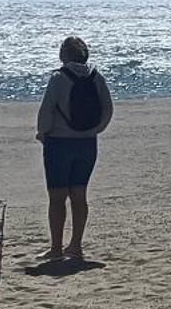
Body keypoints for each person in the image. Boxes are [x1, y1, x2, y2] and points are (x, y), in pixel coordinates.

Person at [35, 35, 113, 262]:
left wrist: (43, 133)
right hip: (87, 142)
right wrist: (96, 129)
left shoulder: (59, 77)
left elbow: (46, 109)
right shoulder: (96, 77)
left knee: (57, 197)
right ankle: (76, 245)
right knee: (79, 195)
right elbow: (108, 108)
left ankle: (56, 247)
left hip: (59, 142)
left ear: (64, 55)